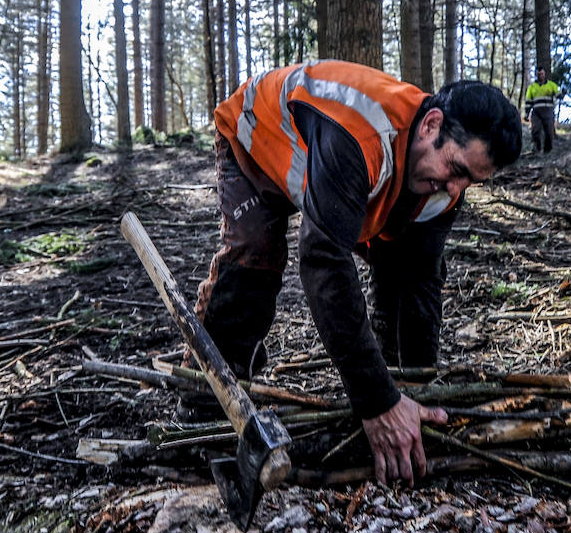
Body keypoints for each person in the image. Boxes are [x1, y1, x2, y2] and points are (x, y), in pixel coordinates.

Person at [192, 60, 522, 487]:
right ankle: (204, 402)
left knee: (398, 260)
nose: (456, 190)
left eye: (471, 182)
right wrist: (376, 402)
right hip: (256, 137)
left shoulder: (441, 185)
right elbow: (323, 261)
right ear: (431, 125)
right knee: (257, 255)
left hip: (333, 171)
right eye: (456, 170)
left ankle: (394, 379)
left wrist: (415, 392)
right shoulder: (362, 133)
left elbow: (419, 282)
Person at [524, 65, 561, 154]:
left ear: (544, 74)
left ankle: (547, 151)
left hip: (548, 111)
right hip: (536, 112)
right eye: (538, 74)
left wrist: (562, 93)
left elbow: (558, 95)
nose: (540, 76)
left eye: (542, 74)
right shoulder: (532, 87)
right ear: (536, 75)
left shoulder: (552, 85)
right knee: (535, 130)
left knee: (549, 131)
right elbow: (528, 101)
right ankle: (537, 149)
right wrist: (526, 114)